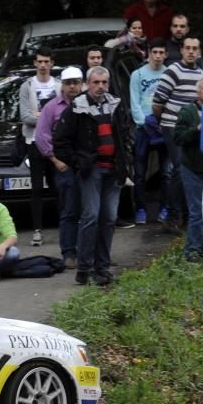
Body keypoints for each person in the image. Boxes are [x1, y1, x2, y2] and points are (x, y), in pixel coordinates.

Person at [53, 65, 131, 286]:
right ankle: (84, 267)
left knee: (109, 219)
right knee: (91, 216)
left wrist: (126, 162)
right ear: (87, 84)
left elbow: (125, 135)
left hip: (113, 169)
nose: (100, 87)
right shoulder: (77, 107)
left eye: (104, 82)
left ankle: (102, 268)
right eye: (96, 82)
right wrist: (78, 162)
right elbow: (60, 142)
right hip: (92, 170)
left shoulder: (115, 104)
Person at [152, 36, 203, 231]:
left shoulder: (201, 74)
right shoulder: (172, 71)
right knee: (179, 167)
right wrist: (164, 123)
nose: (191, 51)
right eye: (188, 48)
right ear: (182, 51)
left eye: (195, 48)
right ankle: (173, 214)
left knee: (188, 168)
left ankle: (188, 214)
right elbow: (157, 103)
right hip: (172, 125)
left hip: (193, 129)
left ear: (199, 52)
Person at [35, 65, 83, 267]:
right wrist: (55, 160)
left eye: (76, 83)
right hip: (65, 166)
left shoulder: (88, 104)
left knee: (90, 211)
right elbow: (41, 136)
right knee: (69, 211)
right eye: (68, 83)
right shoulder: (52, 107)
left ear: (82, 84)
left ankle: (88, 251)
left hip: (87, 166)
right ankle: (69, 253)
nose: (72, 87)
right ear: (62, 85)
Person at [173, 76, 203, 262]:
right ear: (198, 91)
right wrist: (197, 129)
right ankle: (192, 251)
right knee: (196, 211)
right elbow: (178, 137)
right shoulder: (187, 111)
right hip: (191, 166)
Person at [18, 46, 60, 247]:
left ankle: (64, 226)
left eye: (46, 61)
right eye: (40, 61)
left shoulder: (59, 86)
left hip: (55, 142)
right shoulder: (27, 86)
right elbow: (25, 116)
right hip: (33, 142)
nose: (43, 65)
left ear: (52, 63)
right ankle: (37, 230)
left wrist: (40, 117)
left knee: (59, 185)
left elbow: (63, 116)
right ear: (35, 63)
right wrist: (48, 117)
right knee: (36, 188)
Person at [128, 38, 168, 224]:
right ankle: (141, 208)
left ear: (165, 54)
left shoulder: (169, 74)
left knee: (166, 171)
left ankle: (165, 208)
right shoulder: (137, 74)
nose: (158, 56)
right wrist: (144, 122)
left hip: (162, 126)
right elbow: (134, 102)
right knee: (139, 171)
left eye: (161, 53)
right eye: (155, 52)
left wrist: (163, 122)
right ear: (149, 53)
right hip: (143, 126)